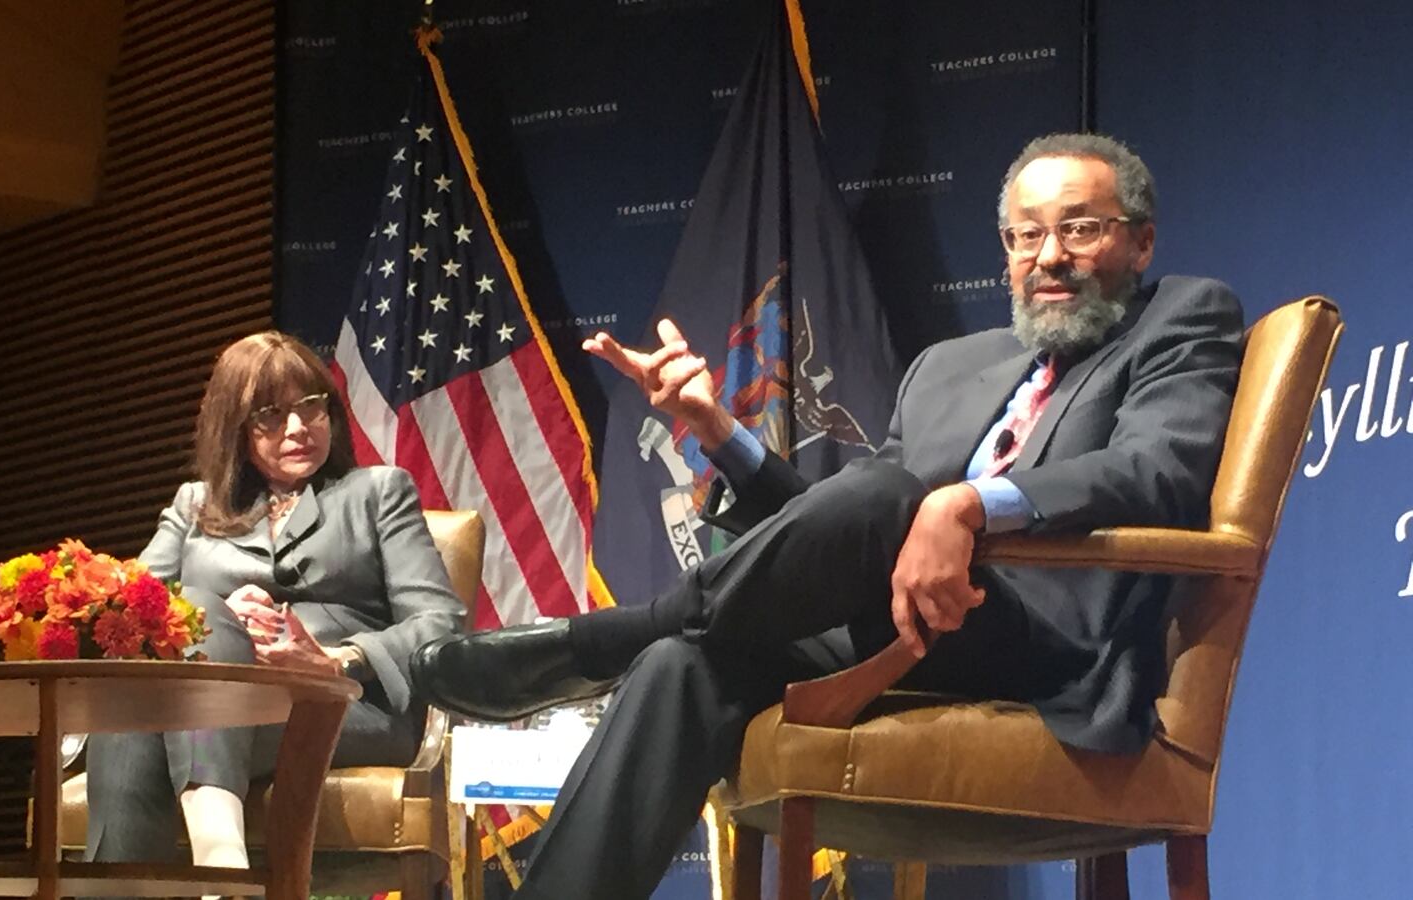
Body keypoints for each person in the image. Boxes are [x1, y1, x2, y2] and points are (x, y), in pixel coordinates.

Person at [409, 133, 1245, 899]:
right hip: (903, 622)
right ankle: (630, 657)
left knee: (895, 496)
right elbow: (836, 531)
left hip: (1052, 639)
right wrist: (718, 431)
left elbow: (1157, 470)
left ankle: (596, 642)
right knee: (681, 664)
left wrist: (968, 505)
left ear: (1140, 241)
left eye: (1081, 229)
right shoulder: (951, 366)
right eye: (1025, 236)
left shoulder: (1182, 318)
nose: (1048, 257)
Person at [84, 331, 464, 885]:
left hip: (341, 705)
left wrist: (338, 659)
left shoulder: (377, 492)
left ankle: (223, 877)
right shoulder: (195, 505)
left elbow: (439, 622)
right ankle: (219, 873)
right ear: (234, 429)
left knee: (170, 694)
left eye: (311, 406)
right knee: (133, 712)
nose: (297, 427)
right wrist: (213, 619)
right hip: (224, 708)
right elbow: (126, 616)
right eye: (270, 414)